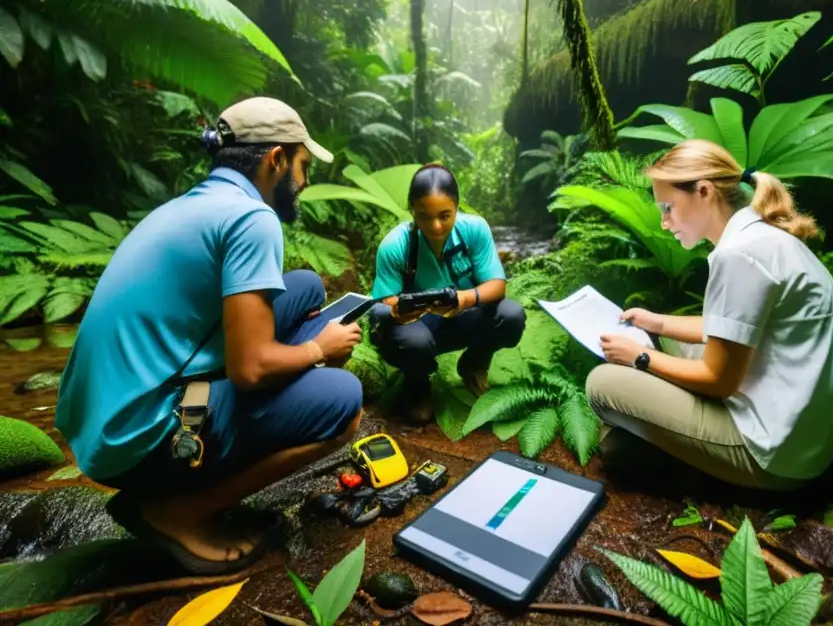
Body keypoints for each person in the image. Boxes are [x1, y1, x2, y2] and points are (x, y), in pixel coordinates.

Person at [55, 97, 365, 575]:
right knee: (345, 402)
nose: (304, 182)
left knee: (305, 287)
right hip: (140, 438)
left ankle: (213, 445)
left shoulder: (192, 205)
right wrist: (316, 350)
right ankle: (175, 512)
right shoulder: (252, 219)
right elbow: (249, 369)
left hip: (99, 425)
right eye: (303, 165)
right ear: (275, 159)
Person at [586, 139, 833, 491]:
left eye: (668, 207)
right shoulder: (761, 236)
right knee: (669, 338)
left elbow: (719, 380)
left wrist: (641, 358)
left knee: (601, 386)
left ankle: (696, 458)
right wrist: (657, 322)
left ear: (703, 192)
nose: (664, 222)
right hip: (802, 435)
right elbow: (733, 330)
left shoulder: (740, 255)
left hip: (774, 453)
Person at [369, 163, 526, 424]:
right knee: (414, 341)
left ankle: (474, 364)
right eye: (424, 216)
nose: (436, 226)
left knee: (510, 315)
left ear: (457, 207)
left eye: (445, 215)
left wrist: (463, 299)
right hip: (414, 327)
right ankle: (417, 384)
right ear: (412, 212)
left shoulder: (474, 230)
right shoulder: (396, 245)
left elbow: (497, 285)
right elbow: (383, 303)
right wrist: (401, 309)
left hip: (461, 316)